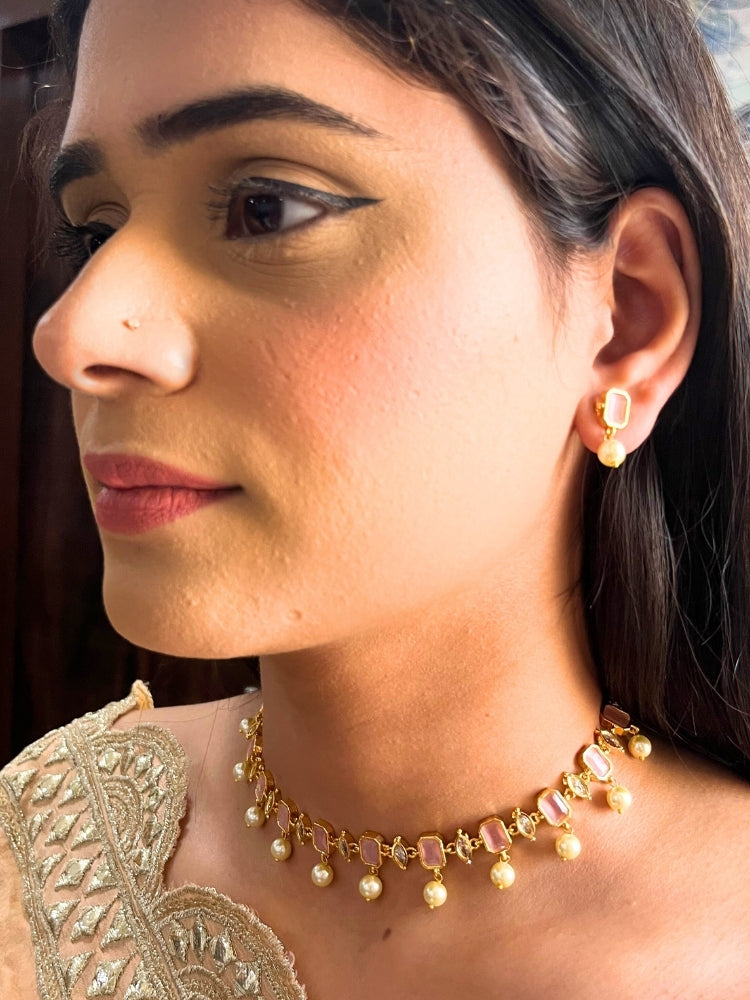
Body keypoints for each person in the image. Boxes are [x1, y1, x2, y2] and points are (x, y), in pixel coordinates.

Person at [2, 0, 750, 996]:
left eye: (266, 206)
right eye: (96, 227)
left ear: (627, 319)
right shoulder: (47, 841)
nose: (73, 331)